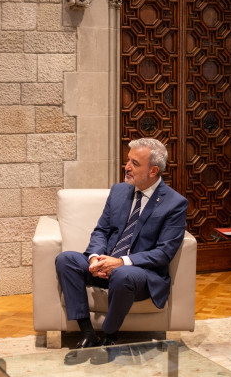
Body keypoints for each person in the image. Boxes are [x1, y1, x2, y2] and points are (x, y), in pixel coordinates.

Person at [55, 138, 187, 362]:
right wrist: (96, 257)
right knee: (66, 259)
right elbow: (101, 230)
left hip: (139, 274)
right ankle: (87, 333)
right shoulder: (118, 191)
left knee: (122, 274)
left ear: (153, 170)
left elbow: (164, 252)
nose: (126, 167)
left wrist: (121, 262)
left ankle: (109, 336)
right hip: (107, 265)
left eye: (134, 163)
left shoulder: (174, 203)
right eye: (128, 161)